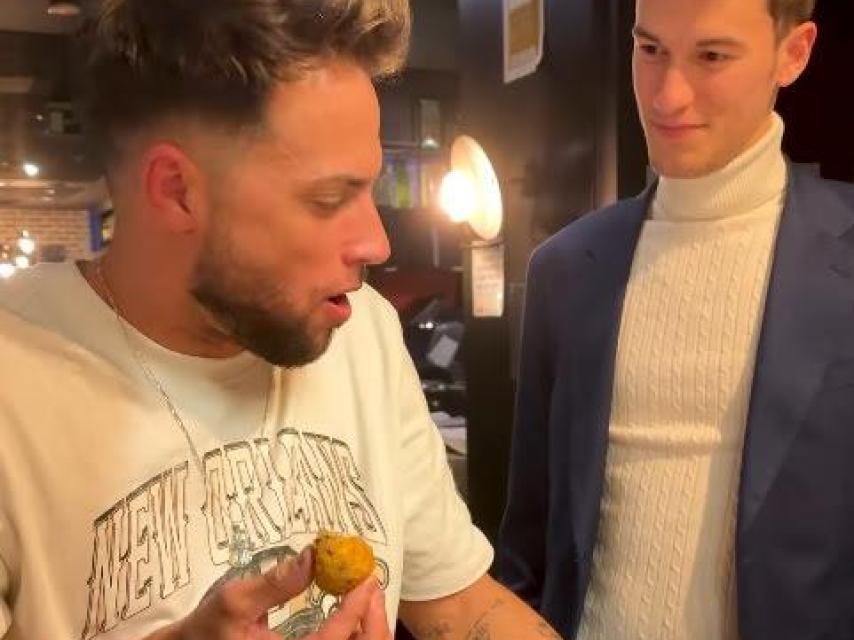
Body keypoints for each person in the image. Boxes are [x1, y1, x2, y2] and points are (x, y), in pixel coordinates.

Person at [0, 1, 561, 639]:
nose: (377, 243)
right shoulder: (15, 378)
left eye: (369, 191)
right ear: (177, 190)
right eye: (329, 198)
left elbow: (465, 608)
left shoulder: (364, 333)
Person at [500, 0, 854, 638]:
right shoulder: (565, 272)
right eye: (650, 50)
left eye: (712, 56)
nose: (668, 95)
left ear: (793, 53)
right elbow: (528, 539)